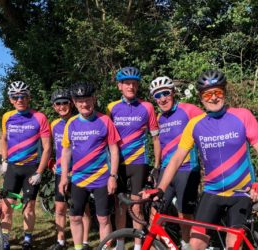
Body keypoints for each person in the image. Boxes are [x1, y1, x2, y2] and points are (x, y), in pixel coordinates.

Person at [145, 70, 258, 249]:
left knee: (232, 243)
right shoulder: (195, 124)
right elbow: (176, 159)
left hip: (241, 192)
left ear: (224, 93)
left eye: (218, 92)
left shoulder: (242, 115)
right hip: (212, 192)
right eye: (207, 94)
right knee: (195, 243)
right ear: (201, 97)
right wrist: (160, 188)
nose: (213, 98)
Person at [58, 82, 120, 250]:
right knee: (76, 217)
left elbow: (114, 150)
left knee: (104, 219)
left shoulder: (105, 120)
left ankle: (105, 248)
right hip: (78, 179)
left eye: (87, 100)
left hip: (102, 179)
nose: (84, 104)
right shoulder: (71, 123)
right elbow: (66, 152)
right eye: (80, 101)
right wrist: (64, 177)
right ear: (74, 102)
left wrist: (113, 176)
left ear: (94, 99)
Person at [107, 66, 161, 250]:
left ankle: (139, 245)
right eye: (127, 83)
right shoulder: (111, 108)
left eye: (134, 83)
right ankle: (120, 244)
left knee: (137, 206)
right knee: (120, 206)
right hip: (118, 164)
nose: (131, 86)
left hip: (139, 163)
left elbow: (155, 138)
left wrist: (157, 165)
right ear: (119, 86)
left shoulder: (147, 107)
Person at [149, 76, 203, 248]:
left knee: (184, 213)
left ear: (173, 92)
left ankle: (186, 245)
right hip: (166, 170)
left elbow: (209, 128)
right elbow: (157, 143)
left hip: (188, 168)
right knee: (155, 209)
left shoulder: (189, 110)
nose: (163, 98)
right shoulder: (158, 118)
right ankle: (156, 245)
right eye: (158, 96)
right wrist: (156, 168)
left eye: (166, 93)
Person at [0, 81, 52, 250]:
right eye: (16, 96)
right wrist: (4, 160)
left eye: (23, 96)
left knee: (28, 207)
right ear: (11, 99)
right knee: (6, 206)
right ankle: (5, 240)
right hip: (13, 168)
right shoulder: (7, 116)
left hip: (31, 169)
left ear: (29, 97)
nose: (20, 99)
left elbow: (47, 148)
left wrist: (39, 171)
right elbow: (4, 139)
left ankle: (27, 239)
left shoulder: (40, 117)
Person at [49, 89, 91, 250]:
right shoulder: (54, 124)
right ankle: (60, 241)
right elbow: (51, 148)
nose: (61, 106)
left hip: (80, 172)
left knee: (83, 209)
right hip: (61, 172)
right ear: (54, 107)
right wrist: (51, 162)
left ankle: (85, 242)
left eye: (64, 102)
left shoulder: (79, 121)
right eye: (58, 104)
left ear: (71, 104)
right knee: (59, 208)